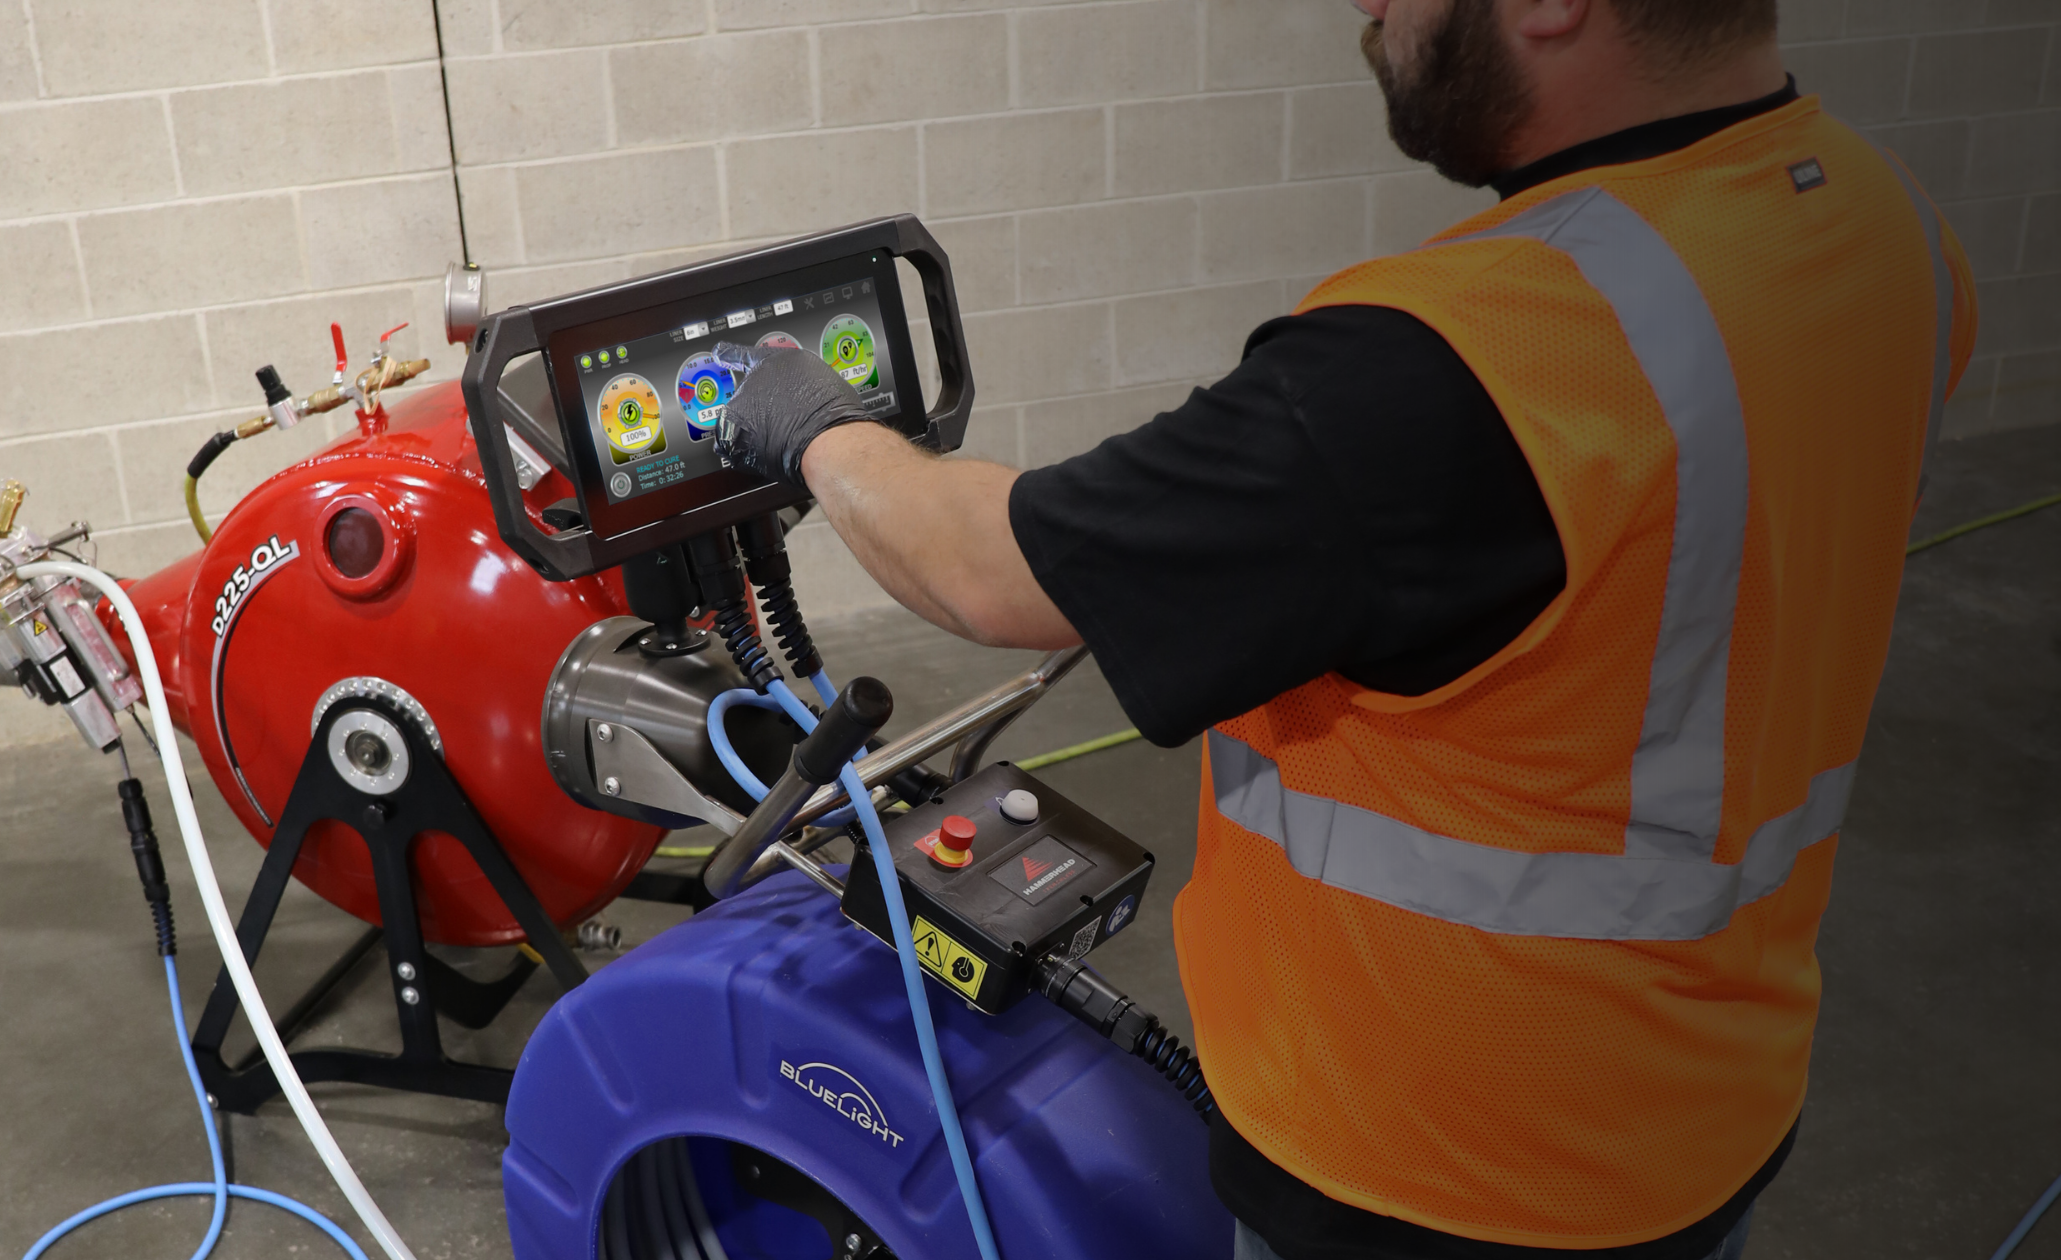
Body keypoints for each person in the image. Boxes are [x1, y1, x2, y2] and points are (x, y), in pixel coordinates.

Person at [715, 1, 1978, 1257]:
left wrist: (815, 427)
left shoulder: (1469, 358)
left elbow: (989, 573)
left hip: (1435, 1180)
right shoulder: (1886, 227)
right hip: (1704, 1114)